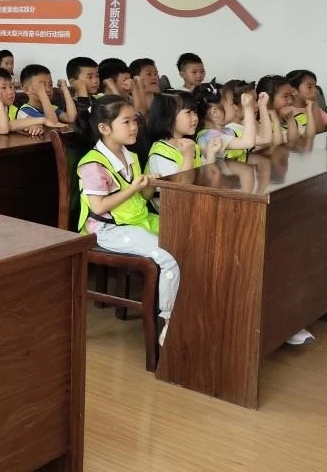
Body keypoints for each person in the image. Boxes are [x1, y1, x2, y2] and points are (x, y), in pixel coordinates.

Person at [76, 95, 178, 346]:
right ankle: (170, 323)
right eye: (126, 122)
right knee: (167, 256)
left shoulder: (129, 155)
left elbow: (142, 198)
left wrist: (148, 184)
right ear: (104, 128)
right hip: (106, 229)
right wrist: (134, 188)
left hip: (136, 222)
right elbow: (99, 206)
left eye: (135, 121)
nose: (134, 127)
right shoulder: (92, 164)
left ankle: (186, 309)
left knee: (186, 240)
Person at [195, 84, 260, 163]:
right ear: (215, 112)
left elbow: (261, 140)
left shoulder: (228, 130)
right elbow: (248, 143)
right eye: (232, 103)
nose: (235, 107)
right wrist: (248, 108)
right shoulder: (209, 137)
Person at [0, 67, 48, 135]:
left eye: (11, 87)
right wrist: (39, 121)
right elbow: (4, 128)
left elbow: (30, 120)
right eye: (3, 88)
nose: (11, 92)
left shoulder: (12, 109)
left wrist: (36, 126)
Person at [257, 74, 308, 143]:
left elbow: (305, 136)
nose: (290, 101)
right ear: (266, 99)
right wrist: (290, 118)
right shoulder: (263, 127)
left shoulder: (289, 119)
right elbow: (289, 143)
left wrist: (290, 117)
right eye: (285, 96)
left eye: (291, 96)